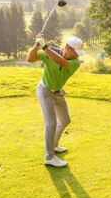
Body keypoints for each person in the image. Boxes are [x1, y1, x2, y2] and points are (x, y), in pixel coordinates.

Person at [27, 35, 85, 168]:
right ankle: (49, 157)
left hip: (58, 92)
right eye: (76, 52)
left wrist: (45, 46)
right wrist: (37, 45)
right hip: (45, 90)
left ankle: (53, 145)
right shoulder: (49, 52)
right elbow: (30, 59)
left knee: (65, 120)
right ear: (68, 48)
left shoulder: (75, 62)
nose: (78, 55)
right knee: (51, 123)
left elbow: (61, 62)